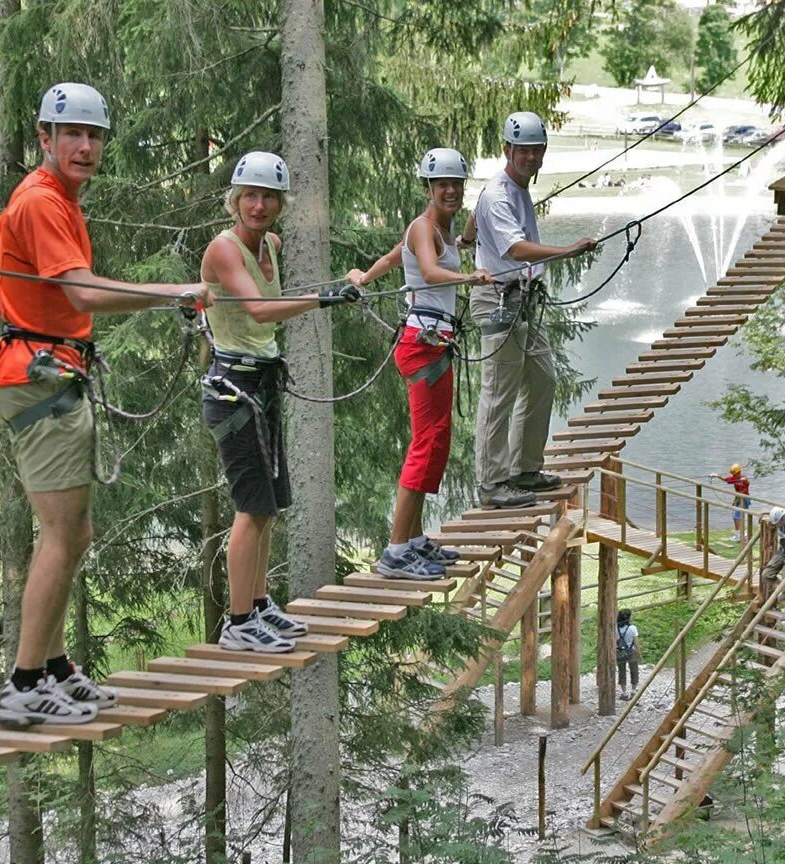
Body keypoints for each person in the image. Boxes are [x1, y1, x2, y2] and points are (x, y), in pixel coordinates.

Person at [0, 83, 214, 725]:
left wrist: (9, 306)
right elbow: (81, 294)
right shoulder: (44, 201)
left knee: (70, 531)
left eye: (94, 135)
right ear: (44, 136)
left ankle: (52, 667)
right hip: (42, 378)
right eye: (71, 133)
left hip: (43, 370)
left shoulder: (43, 197)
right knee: (63, 532)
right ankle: (24, 683)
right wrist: (174, 292)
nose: (84, 145)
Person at [201, 151, 364, 650]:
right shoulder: (225, 250)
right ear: (234, 201)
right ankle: (236, 621)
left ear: (280, 204)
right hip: (234, 393)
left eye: (268, 197)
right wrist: (325, 299)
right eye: (250, 195)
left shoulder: (269, 244)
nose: (259, 205)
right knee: (251, 508)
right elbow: (259, 309)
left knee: (269, 507)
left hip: (262, 385)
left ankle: (258, 604)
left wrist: (338, 289)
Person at [348, 149, 494, 579]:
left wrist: (364, 277)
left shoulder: (442, 229)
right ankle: (395, 552)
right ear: (428, 188)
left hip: (435, 342)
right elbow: (427, 273)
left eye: (456, 183)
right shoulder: (423, 227)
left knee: (437, 441)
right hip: (422, 344)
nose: (450, 190)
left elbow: (397, 258)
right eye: (442, 183)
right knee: (426, 443)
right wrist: (469, 277)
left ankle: (412, 540)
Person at [461, 111, 598, 510]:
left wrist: (468, 238)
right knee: (499, 392)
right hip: (498, 300)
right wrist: (567, 250)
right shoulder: (500, 194)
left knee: (542, 378)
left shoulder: (514, 189)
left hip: (522, 298)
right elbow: (515, 248)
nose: (532, 158)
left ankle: (524, 469)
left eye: (538, 150)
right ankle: (492, 484)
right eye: (524, 151)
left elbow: (476, 218)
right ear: (507, 149)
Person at [763, 507, 785, 616]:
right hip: (781, 553)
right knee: (766, 574)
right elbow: (768, 518)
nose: (777, 526)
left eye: (778, 523)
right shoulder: (779, 523)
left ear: (783, 519)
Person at [710, 464, 751, 543]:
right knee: (737, 516)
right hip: (739, 497)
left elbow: (746, 487)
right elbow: (725, 479)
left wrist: (737, 499)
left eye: (735, 474)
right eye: (733, 474)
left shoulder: (744, 479)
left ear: (739, 472)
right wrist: (716, 475)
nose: (734, 475)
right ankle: (739, 533)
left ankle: (740, 534)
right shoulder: (734, 478)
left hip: (744, 498)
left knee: (737, 516)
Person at [616, 608, 641, 701]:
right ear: (628, 617)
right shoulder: (632, 628)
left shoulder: (615, 627)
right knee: (634, 670)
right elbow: (636, 643)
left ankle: (624, 692)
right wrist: (639, 653)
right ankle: (633, 691)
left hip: (620, 651)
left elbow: (614, 641)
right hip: (631, 651)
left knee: (621, 671)